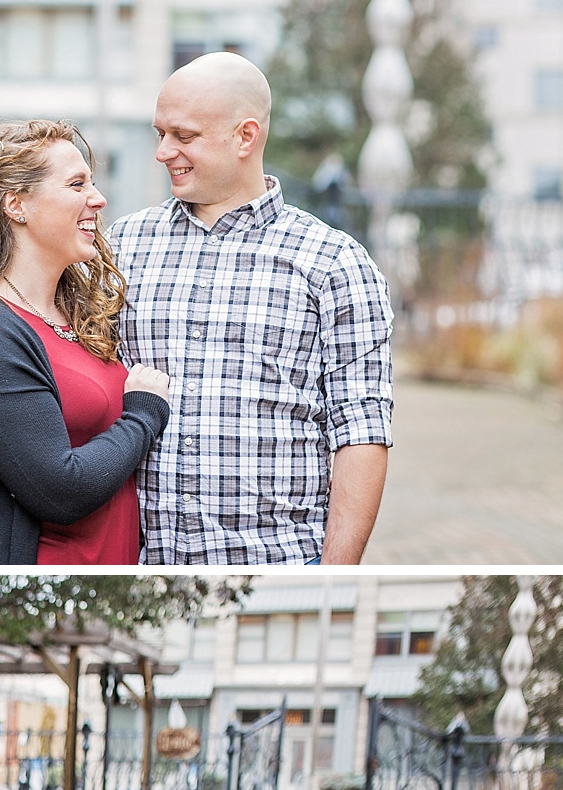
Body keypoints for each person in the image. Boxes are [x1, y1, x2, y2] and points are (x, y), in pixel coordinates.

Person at [110, 51, 393, 564]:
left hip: (278, 564)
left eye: (184, 135)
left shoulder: (335, 262)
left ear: (246, 136)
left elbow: (361, 430)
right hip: (137, 567)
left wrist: (334, 575)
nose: (163, 152)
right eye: (160, 134)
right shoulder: (120, 246)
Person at [0, 119, 172, 564]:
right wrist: (144, 416)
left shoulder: (80, 315)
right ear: (17, 205)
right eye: (76, 184)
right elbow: (61, 491)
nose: (98, 198)